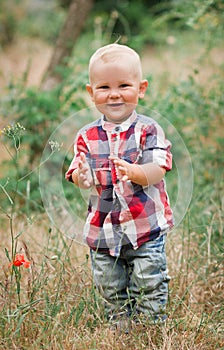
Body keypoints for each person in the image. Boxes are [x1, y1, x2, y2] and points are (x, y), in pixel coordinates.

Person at [66, 43, 174, 326]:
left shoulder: (148, 129)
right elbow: (78, 170)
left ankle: (150, 325)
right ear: (91, 93)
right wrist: (83, 177)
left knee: (148, 279)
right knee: (109, 285)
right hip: (103, 229)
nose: (114, 94)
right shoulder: (86, 135)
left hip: (144, 227)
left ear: (141, 88)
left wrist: (136, 171)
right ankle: (119, 326)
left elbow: (159, 168)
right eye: (104, 87)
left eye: (124, 85)